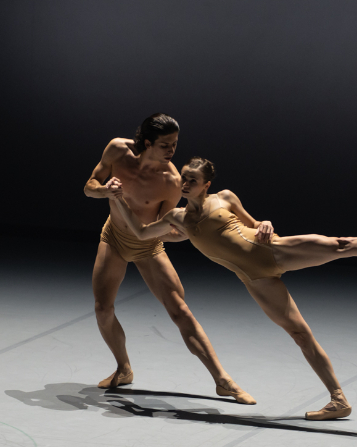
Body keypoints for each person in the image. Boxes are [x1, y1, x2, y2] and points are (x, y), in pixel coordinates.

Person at [107, 156, 357, 420]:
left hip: (273, 251)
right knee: (300, 334)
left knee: (343, 245)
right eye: (183, 178)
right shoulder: (178, 219)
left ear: (206, 184)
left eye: (192, 180)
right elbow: (141, 233)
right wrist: (119, 198)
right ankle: (339, 400)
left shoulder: (224, 198)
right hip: (255, 279)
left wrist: (267, 223)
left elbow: (256, 224)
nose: (184, 184)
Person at [84, 114, 254, 405]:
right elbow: (89, 187)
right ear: (147, 143)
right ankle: (123, 369)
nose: (172, 150)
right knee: (102, 309)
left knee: (180, 311)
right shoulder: (117, 150)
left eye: (175, 143)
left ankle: (222, 380)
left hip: (148, 246)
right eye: (165, 144)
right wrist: (104, 191)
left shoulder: (171, 180)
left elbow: (162, 228)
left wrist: (186, 234)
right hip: (113, 238)